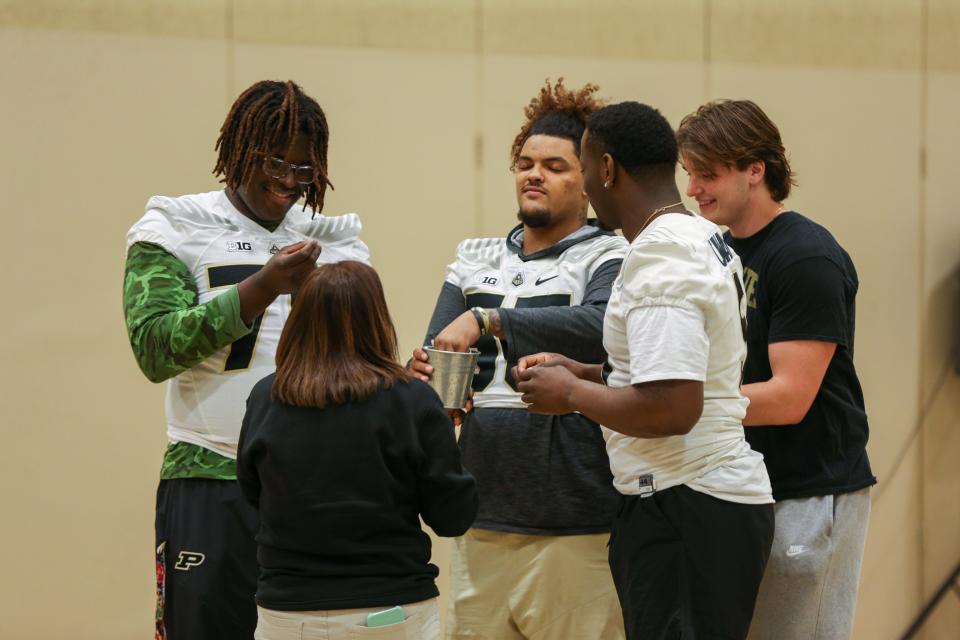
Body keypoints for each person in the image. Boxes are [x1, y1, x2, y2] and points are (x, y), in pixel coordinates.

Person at [515, 101, 775, 639]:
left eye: (584, 170)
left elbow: (673, 407)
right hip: (697, 503)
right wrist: (588, 373)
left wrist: (571, 395)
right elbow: (678, 372)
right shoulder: (691, 234)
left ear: (607, 169)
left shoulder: (661, 255)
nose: (586, 187)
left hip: (688, 504)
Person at [123, 79, 370, 640]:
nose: (288, 181)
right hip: (211, 474)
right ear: (238, 149)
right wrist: (262, 287)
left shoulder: (335, 241)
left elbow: (358, 361)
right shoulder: (174, 227)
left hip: (313, 483)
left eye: (304, 170)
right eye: (274, 162)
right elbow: (155, 347)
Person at [409, 80, 627, 640]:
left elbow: (602, 328)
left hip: (575, 520)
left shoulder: (610, 252)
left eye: (555, 166)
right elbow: (442, 344)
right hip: (481, 515)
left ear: (591, 180)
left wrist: (491, 320)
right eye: (526, 163)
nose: (534, 174)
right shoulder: (474, 256)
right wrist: (427, 375)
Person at [677, 99, 876, 640]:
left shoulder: (807, 256)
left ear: (755, 171)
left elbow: (789, 397)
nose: (693, 189)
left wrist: (676, 406)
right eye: (689, 173)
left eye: (708, 174)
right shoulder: (711, 252)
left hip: (809, 487)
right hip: (741, 482)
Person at [236, 261, 477, 640]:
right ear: (377, 319)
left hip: (286, 612)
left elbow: (253, 493)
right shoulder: (413, 401)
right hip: (391, 611)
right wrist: (444, 429)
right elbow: (453, 517)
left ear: (299, 318)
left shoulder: (265, 396)